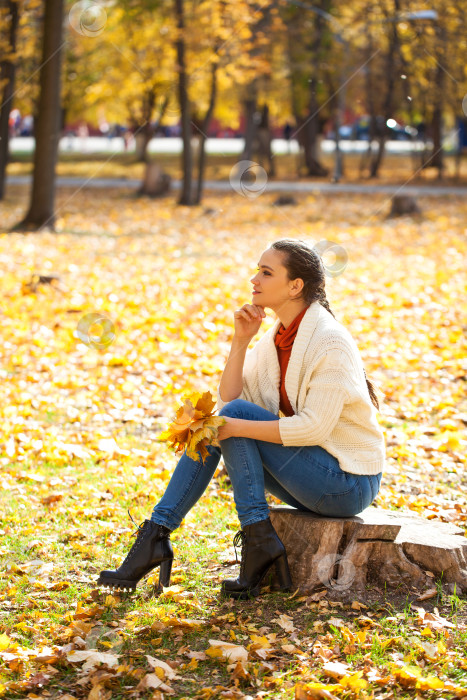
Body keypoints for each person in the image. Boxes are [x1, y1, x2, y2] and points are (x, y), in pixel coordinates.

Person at [97, 239, 385, 600]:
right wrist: (240, 342)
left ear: (296, 286)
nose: (254, 279)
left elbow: (313, 427)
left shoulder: (329, 341)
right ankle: (160, 533)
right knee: (221, 422)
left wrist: (233, 426)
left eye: (266, 273)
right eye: (257, 270)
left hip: (347, 482)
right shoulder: (275, 339)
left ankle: (232, 537)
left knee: (229, 422)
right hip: (313, 473)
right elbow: (232, 400)